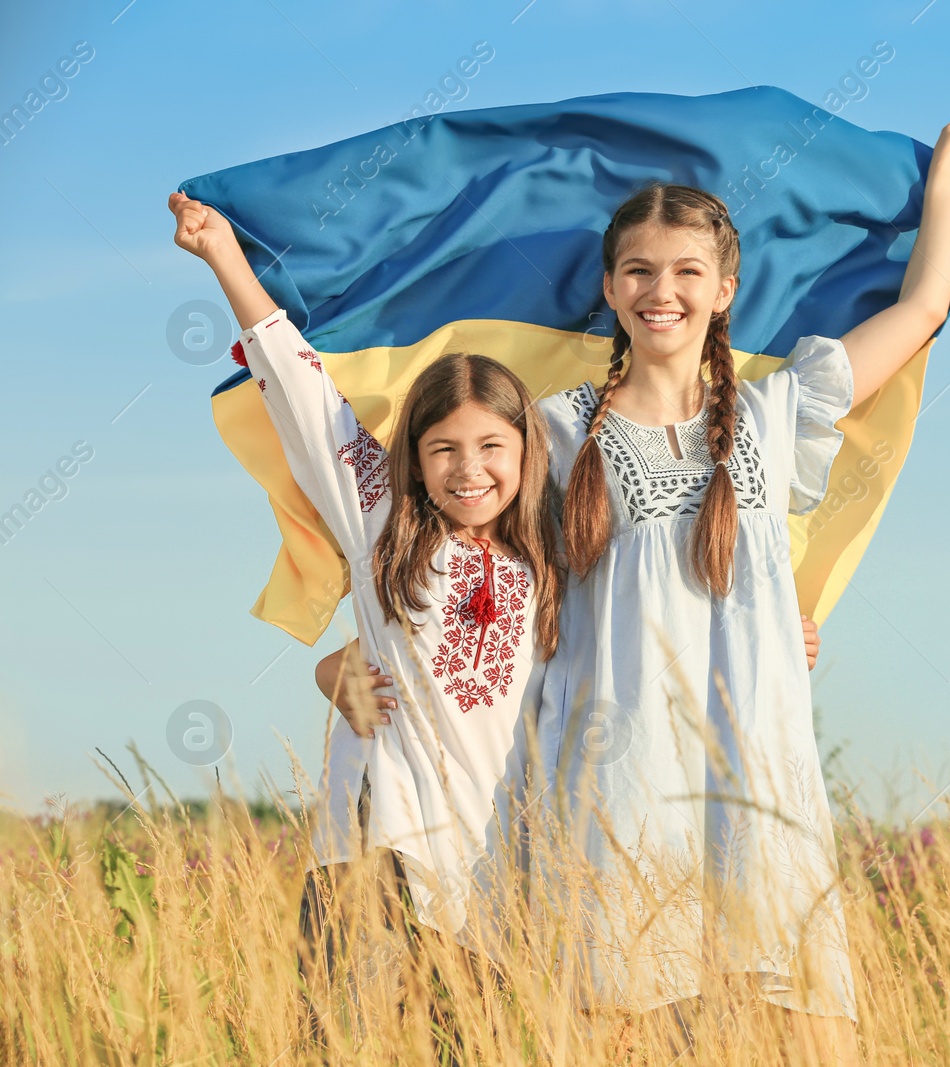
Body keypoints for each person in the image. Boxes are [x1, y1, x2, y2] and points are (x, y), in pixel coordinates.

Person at [534, 113, 950, 1063]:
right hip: (618, 765)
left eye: (686, 271)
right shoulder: (552, 427)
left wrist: (944, 181)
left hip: (758, 760)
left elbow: (919, 313)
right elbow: (460, 541)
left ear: (724, 289)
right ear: (611, 288)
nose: (662, 290)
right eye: (640, 271)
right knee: (613, 1022)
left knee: (808, 1020)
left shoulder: (781, 405)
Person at [168, 190, 563, 1048]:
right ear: (412, 459)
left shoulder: (556, 566)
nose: (469, 469)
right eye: (443, 448)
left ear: (527, 451)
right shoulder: (383, 519)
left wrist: (785, 627)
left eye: (492, 446)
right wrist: (225, 258)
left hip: (492, 876)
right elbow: (304, 399)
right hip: (371, 854)